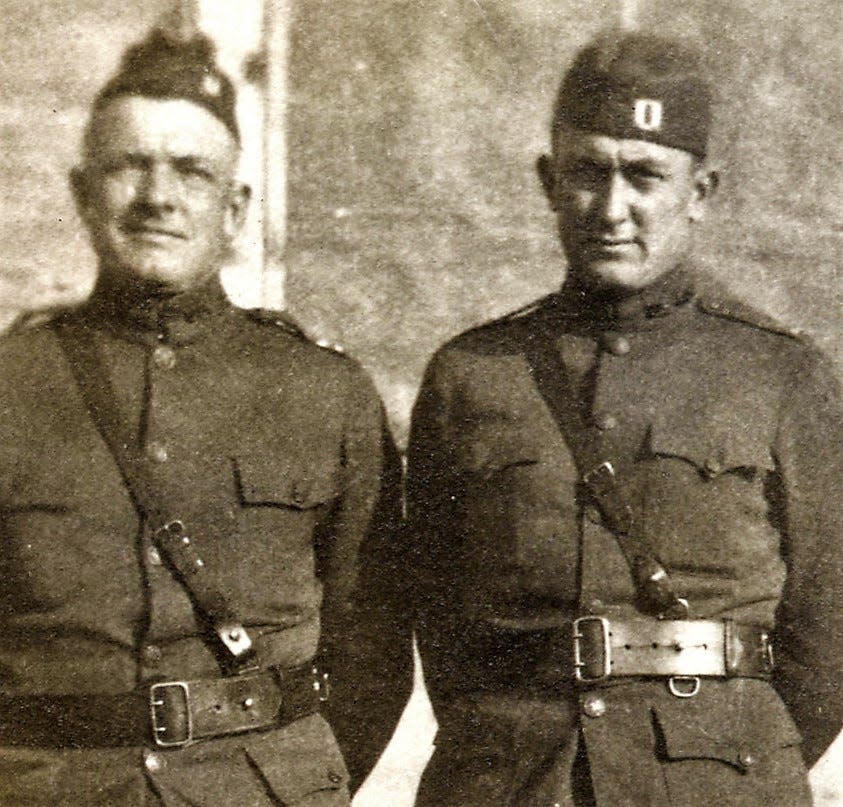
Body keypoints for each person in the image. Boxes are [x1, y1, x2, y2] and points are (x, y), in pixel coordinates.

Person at [405, 30, 843, 806]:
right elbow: (444, 632)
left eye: (644, 176)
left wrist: (720, 759)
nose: (612, 208)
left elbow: (827, 640)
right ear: (547, 181)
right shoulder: (471, 376)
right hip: (517, 781)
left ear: (699, 192)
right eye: (587, 173)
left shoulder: (781, 373)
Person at [0, 30, 411, 806]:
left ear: (235, 207)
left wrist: (296, 785)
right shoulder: (11, 383)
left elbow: (373, 654)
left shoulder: (324, 391)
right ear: (83, 192)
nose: (158, 196)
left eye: (191, 170)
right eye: (130, 166)